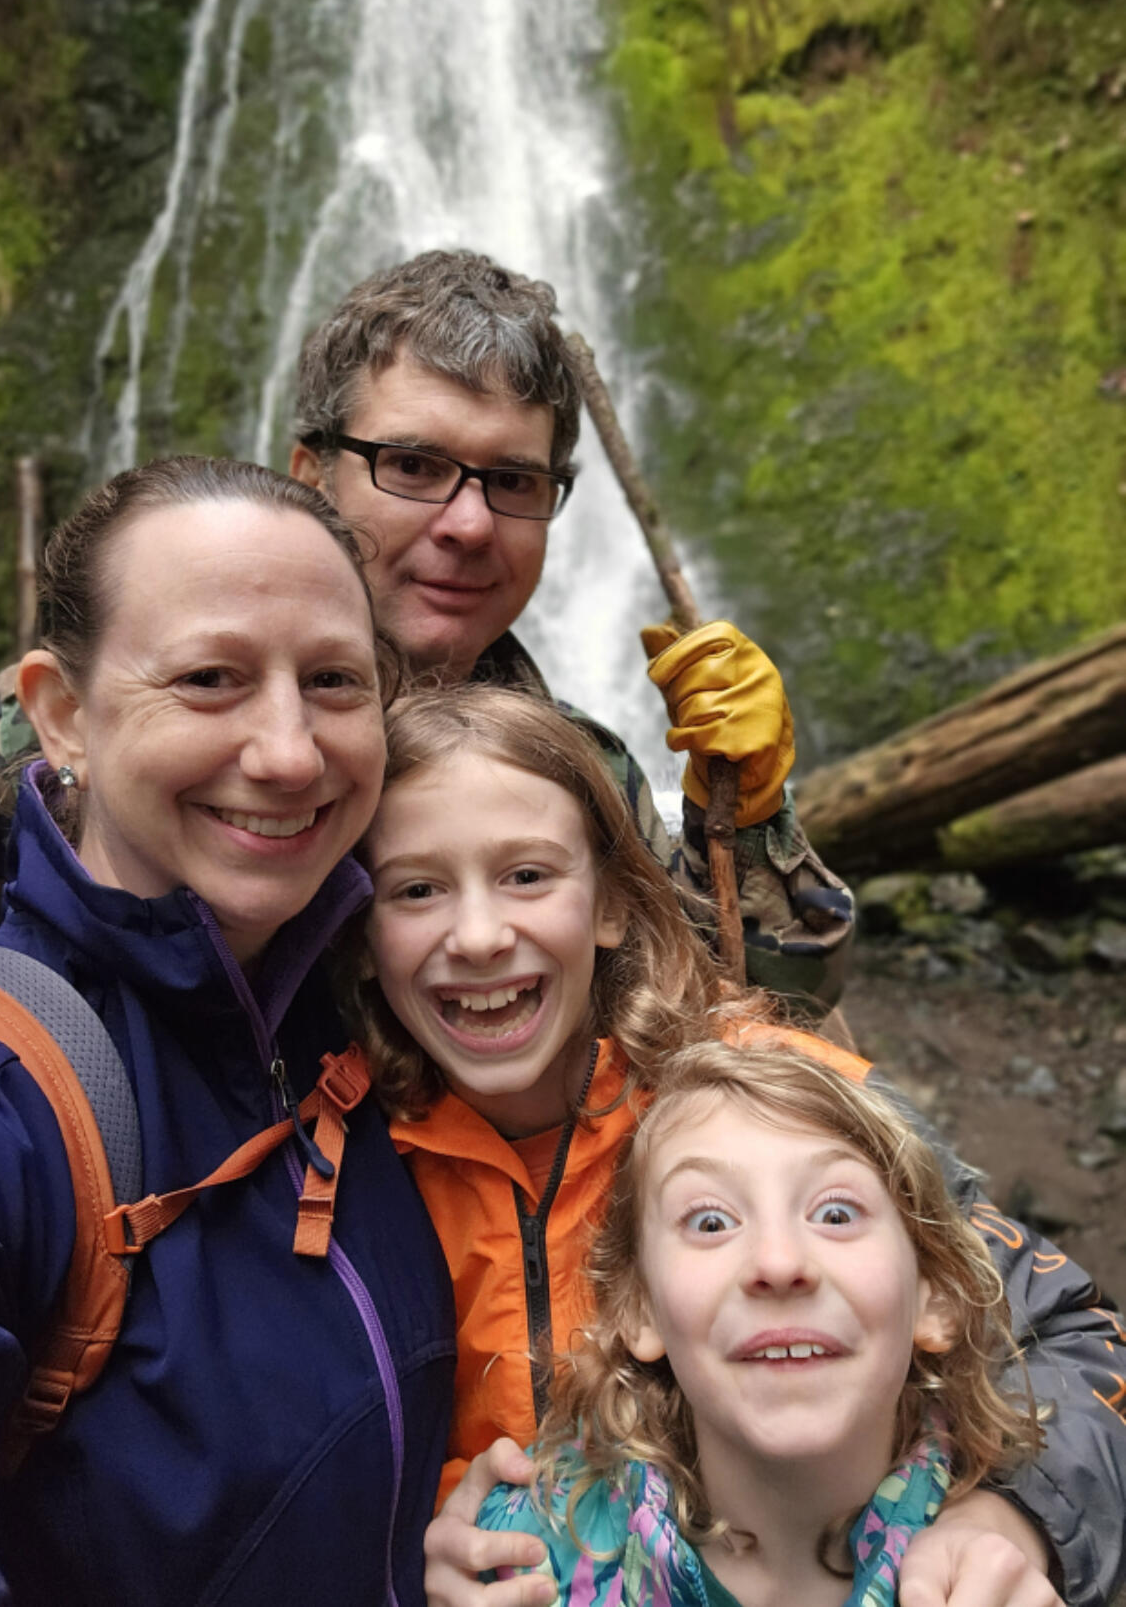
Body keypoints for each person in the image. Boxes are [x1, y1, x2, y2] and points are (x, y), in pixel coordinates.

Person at [0, 250, 852, 1014]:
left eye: (513, 481)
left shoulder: (578, 771)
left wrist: (748, 817)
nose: (469, 524)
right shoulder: (81, 725)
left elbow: (744, 1033)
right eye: (412, 464)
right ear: (310, 478)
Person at [340, 685, 1122, 1607]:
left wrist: (1016, 1517)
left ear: (615, 904)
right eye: (418, 889)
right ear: (357, 935)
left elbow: (1072, 1336)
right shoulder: (334, 1168)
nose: (477, 936)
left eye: (527, 875)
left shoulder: (784, 1100)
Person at [0, 457, 455, 1605]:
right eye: (209, 679)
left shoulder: (384, 1010)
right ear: (63, 715)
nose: (290, 752)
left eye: (336, 683)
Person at [476, 1041, 1043, 1607]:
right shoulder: (526, 1558)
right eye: (711, 1221)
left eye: (836, 1213)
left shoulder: (1000, 1576)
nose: (778, 1263)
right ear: (636, 1311)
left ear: (935, 1297)